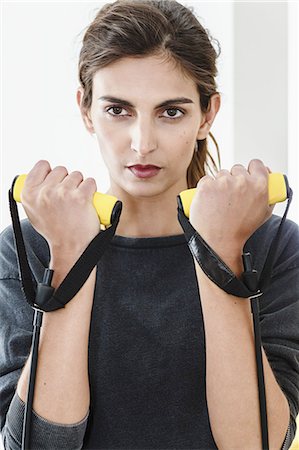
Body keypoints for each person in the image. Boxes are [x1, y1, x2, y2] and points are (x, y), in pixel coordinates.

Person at [0, 1, 298, 449]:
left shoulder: (273, 244)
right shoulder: (30, 246)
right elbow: (34, 446)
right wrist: (69, 257)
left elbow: (259, 444)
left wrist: (219, 254)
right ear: (86, 110)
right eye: (118, 110)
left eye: (171, 112)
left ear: (207, 114)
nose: (143, 143)